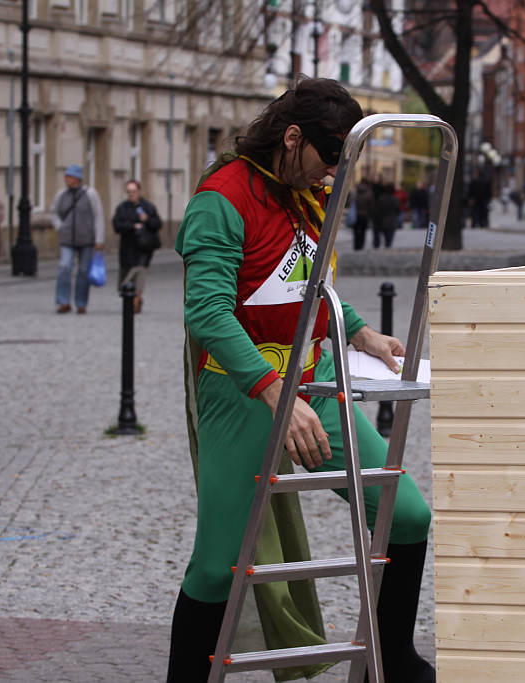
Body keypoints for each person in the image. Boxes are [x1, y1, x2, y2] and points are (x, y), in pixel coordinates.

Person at [169, 78, 435, 683]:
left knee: (406, 513)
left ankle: (390, 660)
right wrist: (272, 394)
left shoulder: (304, 195)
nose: (333, 174)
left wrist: (360, 329)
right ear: (293, 138)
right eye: (330, 158)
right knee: (217, 567)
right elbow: (208, 311)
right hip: (242, 391)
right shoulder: (222, 197)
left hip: (312, 384)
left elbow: (306, 282)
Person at [50, 164, 104, 314]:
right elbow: (54, 212)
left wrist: (99, 238)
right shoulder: (62, 194)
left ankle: (81, 302)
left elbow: (98, 216)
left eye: (70, 177)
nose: (67, 179)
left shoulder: (90, 194)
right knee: (65, 267)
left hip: (86, 238)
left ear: (78, 179)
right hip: (67, 238)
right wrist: (60, 227)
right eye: (66, 176)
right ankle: (63, 301)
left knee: (83, 271)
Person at [112, 179, 162, 313]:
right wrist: (133, 226)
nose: (131, 194)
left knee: (139, 272)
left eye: (133, 191)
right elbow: (117, 225)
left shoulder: (148, 207)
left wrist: (147, 220)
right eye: (128, 192)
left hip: (143, 248)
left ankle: (136, 300)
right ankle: (133, 299)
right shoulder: (122, 208)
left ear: (139, 191)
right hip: (127, 248)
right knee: (124, 280)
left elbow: (157, 224)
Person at [352, 178, 373, 250]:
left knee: (356, 231)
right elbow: (370, 204)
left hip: (355, 214)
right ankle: (361, 245)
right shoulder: (369, 192)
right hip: (364, 214)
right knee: (363, 231)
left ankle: (356, 245)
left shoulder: (355, 191)